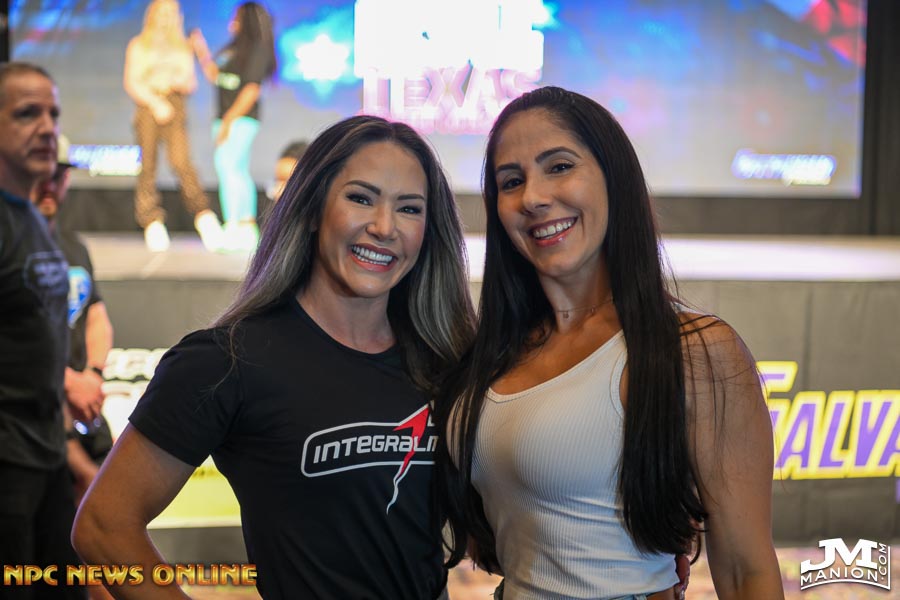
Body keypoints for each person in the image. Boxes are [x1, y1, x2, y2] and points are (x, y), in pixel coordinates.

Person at [72, 115, 475, 599]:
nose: (384, 227)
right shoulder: (226, 361)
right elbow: (103, 525)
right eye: (360, 198)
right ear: (312, 210)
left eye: (409, 208)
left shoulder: (442, 360)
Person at [435, 87, 784, 599]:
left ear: (613, 178)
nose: (533, 197)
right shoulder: (492, 356)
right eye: (512, 181)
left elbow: (746, 572)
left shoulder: (694, 351)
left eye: (559, 166)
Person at [0, 61, 85, 600]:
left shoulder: (31, 217)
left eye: (53, 113)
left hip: (46, 452)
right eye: (27, 114)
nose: (48, 128)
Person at [33, 135, 115, 511]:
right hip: (33, 419)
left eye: (59, 175)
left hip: (83, 409)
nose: (50, 185)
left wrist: (92, 375)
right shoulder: (10, 245)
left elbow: (96, 315)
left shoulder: (73, 246)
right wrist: (70, 383)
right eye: (42, 175)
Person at [124, 0, 224, 252]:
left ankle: (203, 214)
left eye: (172, 13)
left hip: (175, 104)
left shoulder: (182, 46)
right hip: (148, 104)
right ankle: (151, 220)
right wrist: (155, 101)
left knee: (181, 161)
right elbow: (132, 81)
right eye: (162, 13)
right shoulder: (139, 44)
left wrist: (174, 81)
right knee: (148, 164)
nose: (166, 18)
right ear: (152, 15)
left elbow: (190, 83)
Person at [191, 1, 277, 251]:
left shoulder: (257, 49)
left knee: (230, 168)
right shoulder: (233, 48)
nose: (232, 22)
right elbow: (216, 76)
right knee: (233, 169)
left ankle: (238, 225)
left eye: (236, 17)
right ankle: (242, 226)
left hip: (240, 119)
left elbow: (251, 90)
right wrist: (201, 50)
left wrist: (229, 120)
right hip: (226, 119)